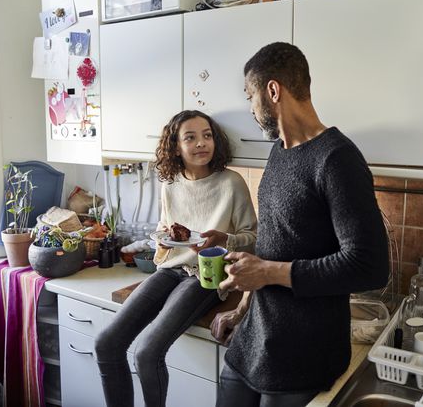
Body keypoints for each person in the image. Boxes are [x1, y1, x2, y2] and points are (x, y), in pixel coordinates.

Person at [210, 42, 390, 407]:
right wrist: (242, 307)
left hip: (303, 352)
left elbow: (370, 267)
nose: (250, 108)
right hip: (254, 339)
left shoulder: (337, 159)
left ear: (272, 91)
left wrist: (268, 273)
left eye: (250, 96)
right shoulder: (279, 152)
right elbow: (275, 244)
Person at [94, 110, 257, 407]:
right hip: (170, 270)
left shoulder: (231, 183)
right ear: (176, 146)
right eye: (190, 137)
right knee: (106, 344)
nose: (201, 144)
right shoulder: (169, 183)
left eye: (207, 135)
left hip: (207, 276)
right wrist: (165, 235)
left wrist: (224, 238)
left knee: (147, 351)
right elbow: (162, 230)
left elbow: (253, 236)